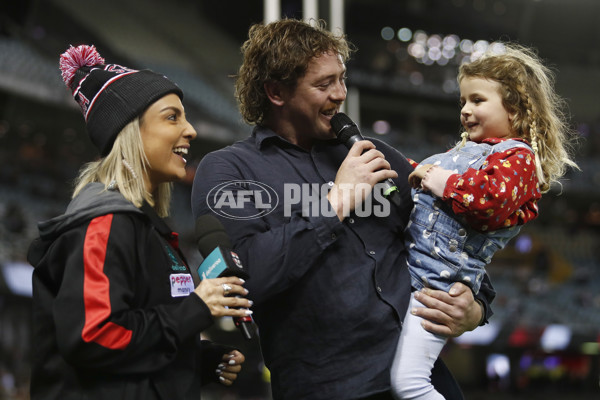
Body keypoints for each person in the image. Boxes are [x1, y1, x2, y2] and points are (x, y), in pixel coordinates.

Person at [191, 19, 495, 399]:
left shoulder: (375, 154)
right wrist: (334, 203)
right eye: (323, 84)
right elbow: (243, 280)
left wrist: (477, 307)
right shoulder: (230, 169)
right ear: (276, 92)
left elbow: (448, 240)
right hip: (329, 388)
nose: (340, 94)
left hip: (422, 381)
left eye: (342, 79)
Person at [27, 44, 251, 400]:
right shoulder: (104, 223)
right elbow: (95, 336)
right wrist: (195, 309)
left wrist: (197, 359)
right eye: (172, 117)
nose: (191, 131)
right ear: (130, 132)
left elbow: (140, 330)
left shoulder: (147, 228)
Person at [390, 43, 579, 399]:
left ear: (516, 107)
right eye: (463, 101)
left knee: (409, 383)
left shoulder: (519, 158)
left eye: (477, 100)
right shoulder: (462, 152)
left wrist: (434, 177)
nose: (465, 110)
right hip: (407, 271)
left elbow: (488, 202)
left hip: (436, 288)